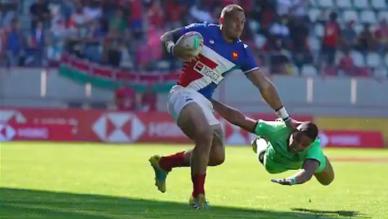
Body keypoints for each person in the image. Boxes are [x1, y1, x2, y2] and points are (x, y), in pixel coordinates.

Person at [149, 4, 297, 209]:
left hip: (204, 101)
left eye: (243, 22)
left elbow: (264, 85)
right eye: (235, 20)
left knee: (217, 156)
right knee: (205, 134)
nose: (240, 25)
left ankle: (164, 163)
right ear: (222, 21)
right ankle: (197, 196)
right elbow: (167, 36)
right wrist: (173, 49)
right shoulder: (202, 31)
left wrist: (285, 117)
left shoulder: (242, 52)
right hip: (183, 93)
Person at [211, 99, 335, 186]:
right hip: (274, 163)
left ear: (311, 144)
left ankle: (321, 161)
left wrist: (291, 180)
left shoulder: (314, 149)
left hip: (303, 164)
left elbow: (306, 173)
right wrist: (211, 102)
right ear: (293, 131)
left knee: (327, 181)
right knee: (265, 162)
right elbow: (240, 119)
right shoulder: (276, 129)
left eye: (304, 145)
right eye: (297, 139)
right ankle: (260, 142)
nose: (297, 146)